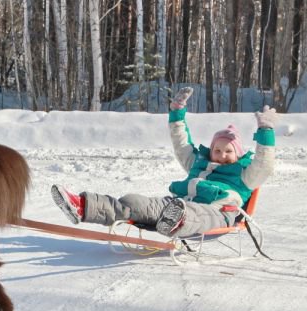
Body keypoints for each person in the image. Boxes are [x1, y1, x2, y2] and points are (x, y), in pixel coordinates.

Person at [51, 87, 277, 238]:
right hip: (178, 205)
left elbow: (264, 164)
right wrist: (177, 114)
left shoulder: (244, 175)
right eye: (218, 150)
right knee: (135, 202)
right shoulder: (198, 165)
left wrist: (266, 131)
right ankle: (83, 206)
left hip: (220, 212)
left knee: (197, 215)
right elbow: (181, 144)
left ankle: (178, 222)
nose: (222, 154)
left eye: (229, 151)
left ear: (237, 153)